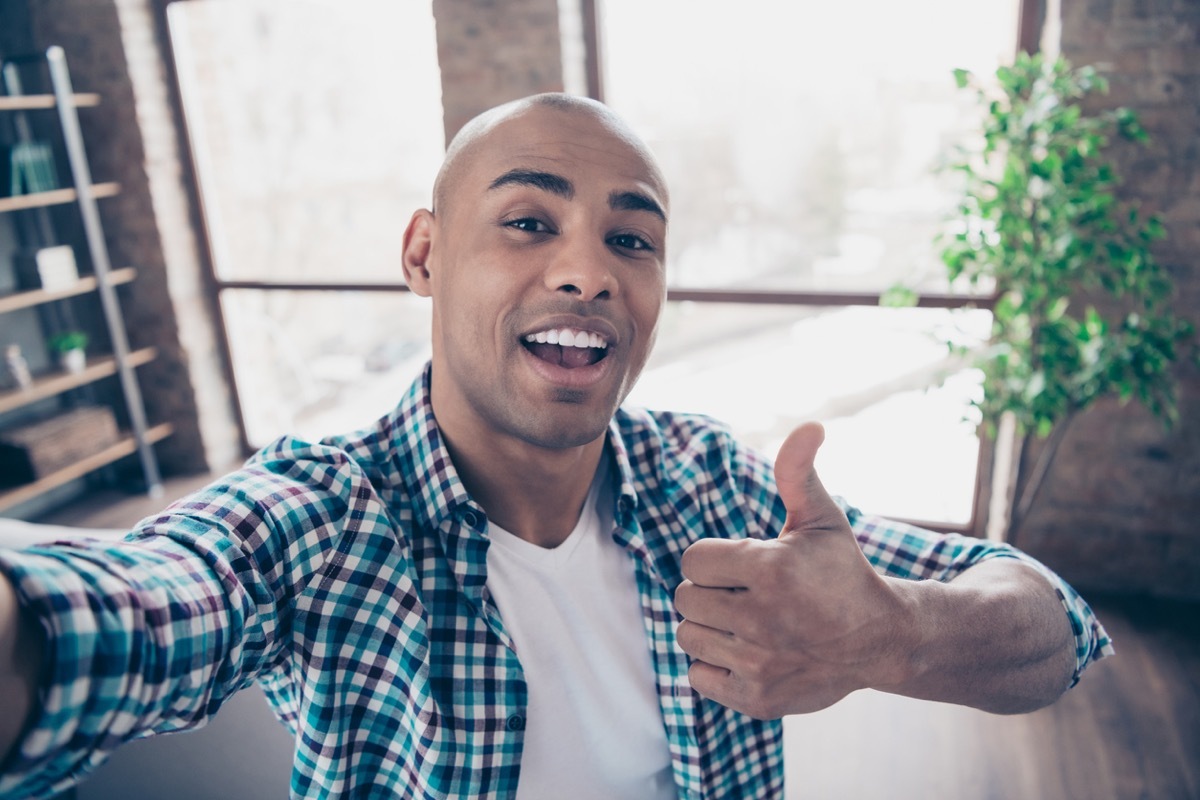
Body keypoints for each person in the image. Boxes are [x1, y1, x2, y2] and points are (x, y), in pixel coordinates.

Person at [0, 93, 1110, 800]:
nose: (590, 271)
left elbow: (1056, 624)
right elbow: (131, 608)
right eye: (530, 221)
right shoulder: (318, 519)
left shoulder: (713, 482)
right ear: (426, 254)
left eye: (632, 237)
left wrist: (892, 632)